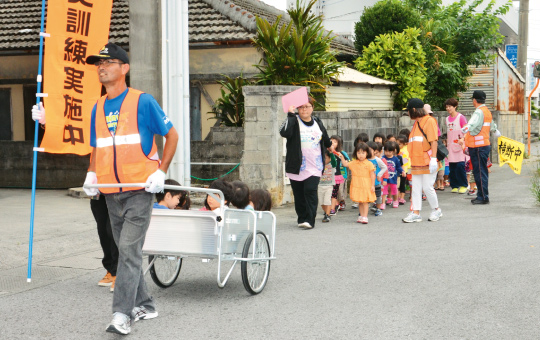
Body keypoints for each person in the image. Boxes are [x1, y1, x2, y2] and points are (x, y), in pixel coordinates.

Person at [82, 43, 179, 335]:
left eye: (108, 62)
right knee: (127, 251)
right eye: (98, 63)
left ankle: (122, 314)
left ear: (124, 68)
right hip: (110, 191)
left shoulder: (142, 101)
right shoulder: (97, 107)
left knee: (127, 249)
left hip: (140, 188)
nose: (101, 67)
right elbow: (97, 147)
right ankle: (145, 305)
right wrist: (90, 173)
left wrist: (162, 170)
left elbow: (171, 135)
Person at [280, 97, 333, 230]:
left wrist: (330, 145)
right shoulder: (293, 121)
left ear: (312, 108)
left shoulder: (317, 122)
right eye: (301, 107)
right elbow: (284, 132)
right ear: (297, 109)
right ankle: (302, 218)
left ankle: (310, 220)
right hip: (297, 165)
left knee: (310, 190)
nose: (304, 109)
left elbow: (325, 136)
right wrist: (291, 115)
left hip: (315, 165)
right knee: (299, 194)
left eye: (307, 106)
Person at [402, 98, 443, 223]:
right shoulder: (417, 123)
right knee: (416, 188)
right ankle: (416, 212)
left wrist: (434, 159)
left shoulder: (429, 121)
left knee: (427, 187)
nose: (408, 113)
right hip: (417, 162)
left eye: (408, 111)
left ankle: (436, 210)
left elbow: (433, 141)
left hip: (428, 160)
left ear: (414, 110)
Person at [461, 90, 500, 204]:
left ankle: (482, 197)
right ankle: (482, 195)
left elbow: (472, 124)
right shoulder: (486, 111)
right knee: (482, 172)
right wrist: (496, 131)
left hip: (477, 146)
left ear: (474, 100)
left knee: (479, 172)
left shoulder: (478, 112)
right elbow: (492, 126)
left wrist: (465, 129)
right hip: (484, 145)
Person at [338, 143, 376, 224]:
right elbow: (345, 164)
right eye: (359, 153)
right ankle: (361, 216)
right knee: (360, 201)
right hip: (357, 185)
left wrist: (372, 185)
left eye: (363, 153)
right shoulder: (354, 162)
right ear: (356, 153)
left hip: (366, 185)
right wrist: (341, 157)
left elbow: (372, 175)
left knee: (365, 201)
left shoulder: (369, 164)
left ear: (367, 153)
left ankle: (365, 216)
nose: (361, 155)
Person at [91, 193, 119, 293]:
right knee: (102, 230)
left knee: (112, 231)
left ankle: (117, 273)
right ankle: (110, 270)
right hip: (98, 190)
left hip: (117, 191)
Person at [444, 98, 468, 193]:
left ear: (455, 106)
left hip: (459, 146)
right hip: (451, 146)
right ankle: (454, 185)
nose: (448, 108)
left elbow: (467, 130)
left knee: (460, 166)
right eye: (447, 107)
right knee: (452, 167)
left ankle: (464, 185)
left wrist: (463, 138)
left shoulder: (461, 117)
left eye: (450, 106)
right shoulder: (447, 119)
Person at [366, 141, 388, 216]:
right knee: (366, 197)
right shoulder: (365, 160)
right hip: (367, 183)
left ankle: (378, 209)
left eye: (370, 150)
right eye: (367, 150)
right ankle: (364, 210)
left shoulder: (377, 160)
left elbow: (384, 167)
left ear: (375, 151)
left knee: (378, 197)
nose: (368, 152)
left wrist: (379, 174)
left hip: (376, 182)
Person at [329, 135, 348, 216]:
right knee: (329, 192)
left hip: (337, 175)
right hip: (327, 176)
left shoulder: (340, 153)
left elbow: (346, 162)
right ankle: (331, 206)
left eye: (335, 142)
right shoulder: (325, 151)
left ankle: (333, 208)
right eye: (331, 140)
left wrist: (338, 154)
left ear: (339, 144)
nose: (332, 143)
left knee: (335, 192)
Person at [381, 141, 404, 209]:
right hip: (385, 178)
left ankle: (395, 201)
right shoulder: (383, 158)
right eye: (386, 151)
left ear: (393, 151)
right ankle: (383, 203)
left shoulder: (395, 159)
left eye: (389, 152)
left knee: (394, 190)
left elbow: (398, 167)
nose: (387, 153)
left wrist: (402, 171)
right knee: (384, 191)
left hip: (393, 178)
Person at [318, 150, 336, 223]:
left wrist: (331, 153)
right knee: (321, 203)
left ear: (329, 158)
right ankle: (326, 212)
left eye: (325, 158)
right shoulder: (319, 165)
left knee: (327, 201)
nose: (324, 160)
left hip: (329, 186)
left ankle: (327, 215)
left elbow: (334, 160)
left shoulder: (332, 165)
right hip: (320, 186)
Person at [396, 135, 410, 204]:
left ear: (404, 144)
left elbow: (405, 161)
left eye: (399, 144)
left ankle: (402, 197)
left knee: (402, 184)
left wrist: (404, 169)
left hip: (404, 170)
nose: (398, 145)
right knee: (398, 185)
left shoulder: (405, 150)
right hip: (398, 170)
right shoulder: (397, 150)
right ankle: (398, 197)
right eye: (397, 143)